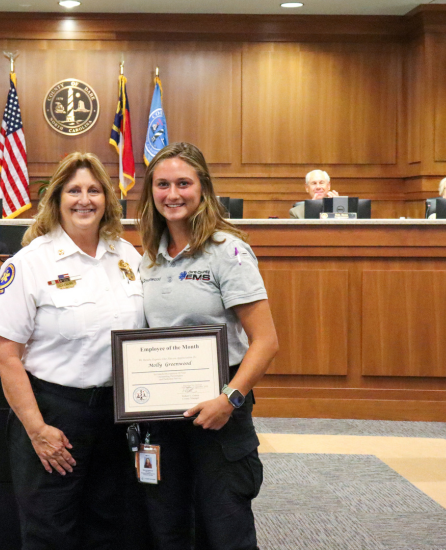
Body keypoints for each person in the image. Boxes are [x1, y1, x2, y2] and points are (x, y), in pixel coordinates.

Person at [0, 152, 145, 550]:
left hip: (118, 416)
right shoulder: (29, 263)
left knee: (111, 527)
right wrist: (37, 431)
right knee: (51, 533)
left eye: (93, 190)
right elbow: (5, 355)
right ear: (57, 199)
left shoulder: (128, 256)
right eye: (73, 190)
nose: (84, 200)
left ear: (107, 199)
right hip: (56, 415)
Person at [137, 142, 279, 550]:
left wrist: (229, 399)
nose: (173, 194)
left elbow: (266, 341)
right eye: (162, 184)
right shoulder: (147, 259)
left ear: (203, 189)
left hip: (219, 408)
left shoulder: (227, 252)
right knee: (169, 526)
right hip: (162, 413)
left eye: (184, 183)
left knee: (225, 528)